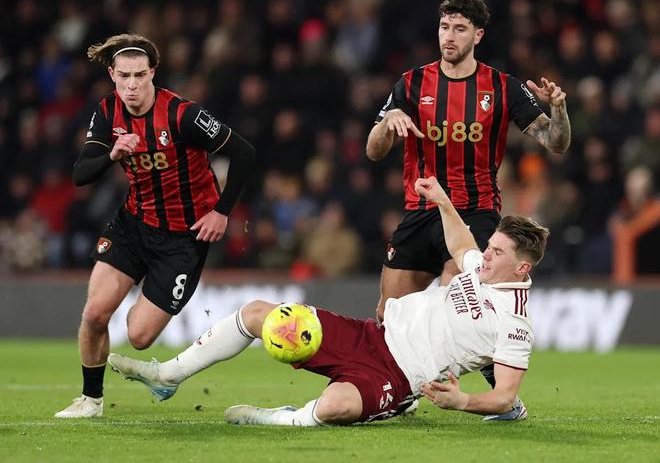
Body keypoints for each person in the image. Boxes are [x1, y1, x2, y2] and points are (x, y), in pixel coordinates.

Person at [107, 176, 549, 426]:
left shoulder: (514, 324)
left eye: (498, 252)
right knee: (258, 313)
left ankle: (279, 419)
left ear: (522, 268)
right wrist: (442, 201)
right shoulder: (481, 267)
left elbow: (506, 395)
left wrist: (463, 401)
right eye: (491, 246)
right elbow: (461, 243)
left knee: (336, 406)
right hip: (370, 336)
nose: (486, 255)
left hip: (399, 376)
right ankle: (169, 375)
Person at [366, 0, 570, 419]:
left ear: (478, 35)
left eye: (460, 29)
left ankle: (504, 399)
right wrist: (388, 124)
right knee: (388, 313)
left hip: (474, 213)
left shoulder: (502, 87)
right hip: (420, 210)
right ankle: (397, 391)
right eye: (445, 27)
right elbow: (373, 150)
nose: (449, 36)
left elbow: (555, 142)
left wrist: (559, 110)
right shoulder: (411, 84)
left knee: (458, 302)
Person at [54, 34, 256, 418]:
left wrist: (222, 211)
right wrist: (112, 154)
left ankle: (161, 371)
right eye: (124, 76)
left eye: (139, 76)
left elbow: (244, 152)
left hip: (183, 237)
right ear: (112, 75)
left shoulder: (183, 115)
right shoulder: (107, 112)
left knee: (139, 336)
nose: (131, 85)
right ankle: (91, 401)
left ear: (152, 74)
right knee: (95, 314)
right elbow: (81, 173)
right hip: (133, 224)